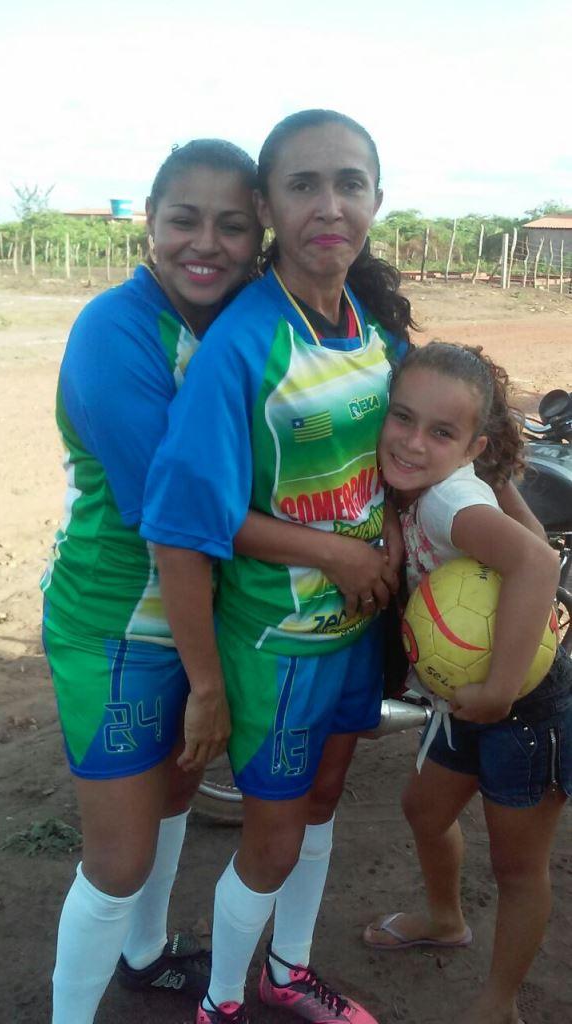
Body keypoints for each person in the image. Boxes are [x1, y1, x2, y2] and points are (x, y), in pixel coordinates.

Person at [140, 109, 416, 1024]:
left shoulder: (371, 329)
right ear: (267, 206)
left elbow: (400, 463)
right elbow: (183, 523)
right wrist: (209, 685)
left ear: (378, 197)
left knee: (326, 802)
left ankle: (287, 973)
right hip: (277, 646)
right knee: (273, 834)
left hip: (354, 633)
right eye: (303, 185)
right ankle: (221, 1003)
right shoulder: (246, 344)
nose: (329, 205)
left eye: (350, 182)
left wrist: (387, 543)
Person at [40, 139, 265, 1024]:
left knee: (176, 789)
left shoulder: (233, 321)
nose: (205, 242)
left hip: (196, 620)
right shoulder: (114, 331)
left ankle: (145, 952)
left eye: (233, 225)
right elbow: (181, 516)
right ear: (149, 222)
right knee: (118, 858)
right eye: (184, 219)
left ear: (258, 240)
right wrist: (335, 553)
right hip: (118, 629)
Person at [362, 342, 572, 1024]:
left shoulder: (447, 501)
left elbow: (539, 562)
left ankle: (497, 1004)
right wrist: (493, 475)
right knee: (425, 811)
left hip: (524, 706)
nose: (414, 442)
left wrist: (502, 689)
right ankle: (445, 917)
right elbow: (533, 527)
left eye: (441, 433)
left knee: (517, 868)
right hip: (470, 695)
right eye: (403, 418)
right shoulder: (431, 486)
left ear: (470, 444)